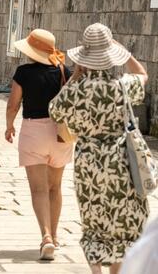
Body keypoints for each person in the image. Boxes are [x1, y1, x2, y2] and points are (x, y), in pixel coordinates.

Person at [49, 23, 150, 274]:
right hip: (121, 162)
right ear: (110, 55)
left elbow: (55, 110)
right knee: (124, 221)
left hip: (88, 163)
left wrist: (75, 77)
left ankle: (96, 271)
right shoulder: (122, 85)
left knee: (94, 222)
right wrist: (125, 53)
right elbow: (143, 75)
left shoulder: (75, 90)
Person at [5, 28, 74, 261]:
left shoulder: (23, 72)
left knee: (38, 189)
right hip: (60, 134)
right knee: (55, 187)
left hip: (34, 131)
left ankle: (45, 236)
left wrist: (9, 125)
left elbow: (13, 104)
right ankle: (54, 235)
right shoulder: (65, 71)